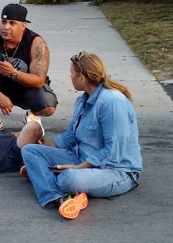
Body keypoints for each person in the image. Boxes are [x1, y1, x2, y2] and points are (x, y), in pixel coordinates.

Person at [21, 52, 142, 220]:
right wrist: (42, 148)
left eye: (72, 73)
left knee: (68, 179)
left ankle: (45, 179)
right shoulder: (82, 100)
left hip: (116, 170)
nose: (70, 77)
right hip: (81, 158)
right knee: (29, 151)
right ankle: (57, 195)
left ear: (83, 78)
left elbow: (113, 151)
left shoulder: (112, 102)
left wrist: (79, 168)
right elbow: (70, 137)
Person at [0, 3, 57, 130]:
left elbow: (39, 80)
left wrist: (13, 73)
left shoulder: (37, 44)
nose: (6, 27)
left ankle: (32, 117)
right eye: (3, 22)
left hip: (26, 89)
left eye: (12, 23)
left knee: (47, 106)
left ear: (23, 26)